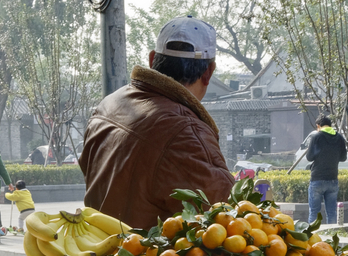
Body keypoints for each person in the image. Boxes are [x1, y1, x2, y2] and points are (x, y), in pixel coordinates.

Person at [79, 15, 234, 230]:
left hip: (94, 251)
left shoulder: (109, 104)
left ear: (153, 60)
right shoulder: (185, 131)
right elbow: (226, 217)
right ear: (209, 72)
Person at [303, 116, 347, 224]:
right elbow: (343, 158)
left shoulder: (316, 137)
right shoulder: (339, 138)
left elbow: (309, 157)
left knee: (314, 212)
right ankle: (331, 238)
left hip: (317, 178)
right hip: (332, 179)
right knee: (332, 212)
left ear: (318, 126)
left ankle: (313, 236)